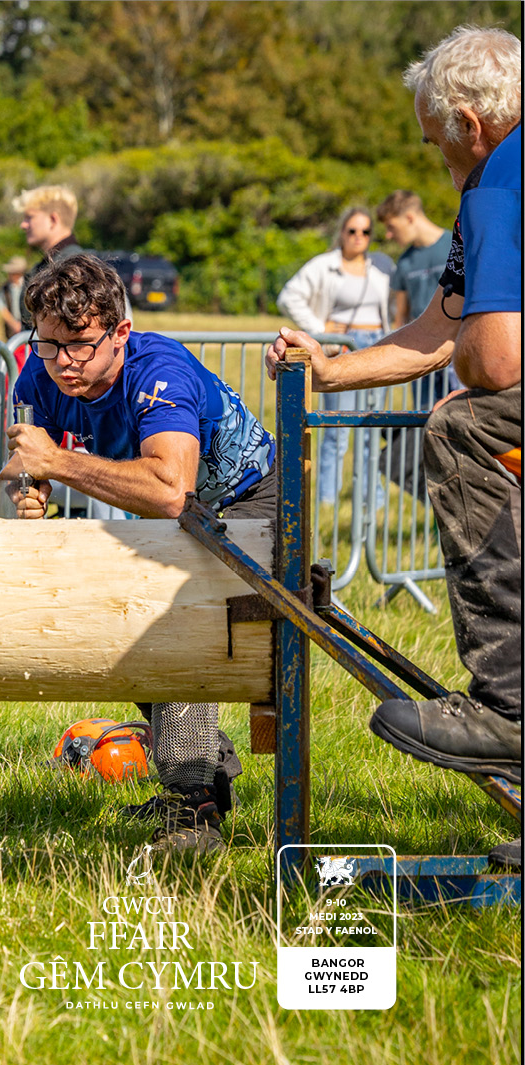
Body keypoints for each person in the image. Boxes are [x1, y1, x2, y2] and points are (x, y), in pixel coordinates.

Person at [267, 26, 521, 868]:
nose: (435, 157)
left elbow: (492, 362)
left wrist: (475, 374)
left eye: (431, 140)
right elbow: (445, 323)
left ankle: (506, 708)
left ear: (467, 124)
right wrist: (332, 370)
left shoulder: (498, 180)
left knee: (464, 426)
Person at [8, 254, 276, 855]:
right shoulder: (39, 373)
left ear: (120, 333)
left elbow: (169, 489)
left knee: (176, 624)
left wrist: (58, 463)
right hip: (173, 509)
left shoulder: (159, 370)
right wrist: (29, 489)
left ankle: (193, 809)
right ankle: (207, 772)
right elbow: (24, 464)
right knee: (120, 620)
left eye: (79, 344)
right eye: (48, 345)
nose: (63, 362)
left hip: (252, 498)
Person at [277, 207, 394, 507]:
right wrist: (320, 329)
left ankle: (372, 498)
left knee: (371, 427)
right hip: (342, 346)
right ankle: (328, 500)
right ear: (342, 232)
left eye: (365, 231)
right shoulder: (324, 265)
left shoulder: (381, 266)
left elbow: (396, 302)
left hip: (377, 344)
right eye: (352, 230)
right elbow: (288, 296)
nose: (358, 237)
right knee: (336, 429)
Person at [376, 189, 459, 408]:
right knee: (425, 415)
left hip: (456, 351)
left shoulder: (456, 246)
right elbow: (401, 317)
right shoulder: (404, 262)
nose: (388, 235)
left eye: (391, 227)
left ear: (410, 218)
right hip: (421, 354)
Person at [12, 185, 84, 330]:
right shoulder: (51, 263)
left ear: (53, 219)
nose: (23, 225)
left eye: (29, 217)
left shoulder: (73, 266)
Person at [0, 255, 28, 338]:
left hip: (27, 327)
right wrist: (14, 324)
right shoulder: (4, 288)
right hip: (12, 330)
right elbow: (2, 308)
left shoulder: (28, 286)